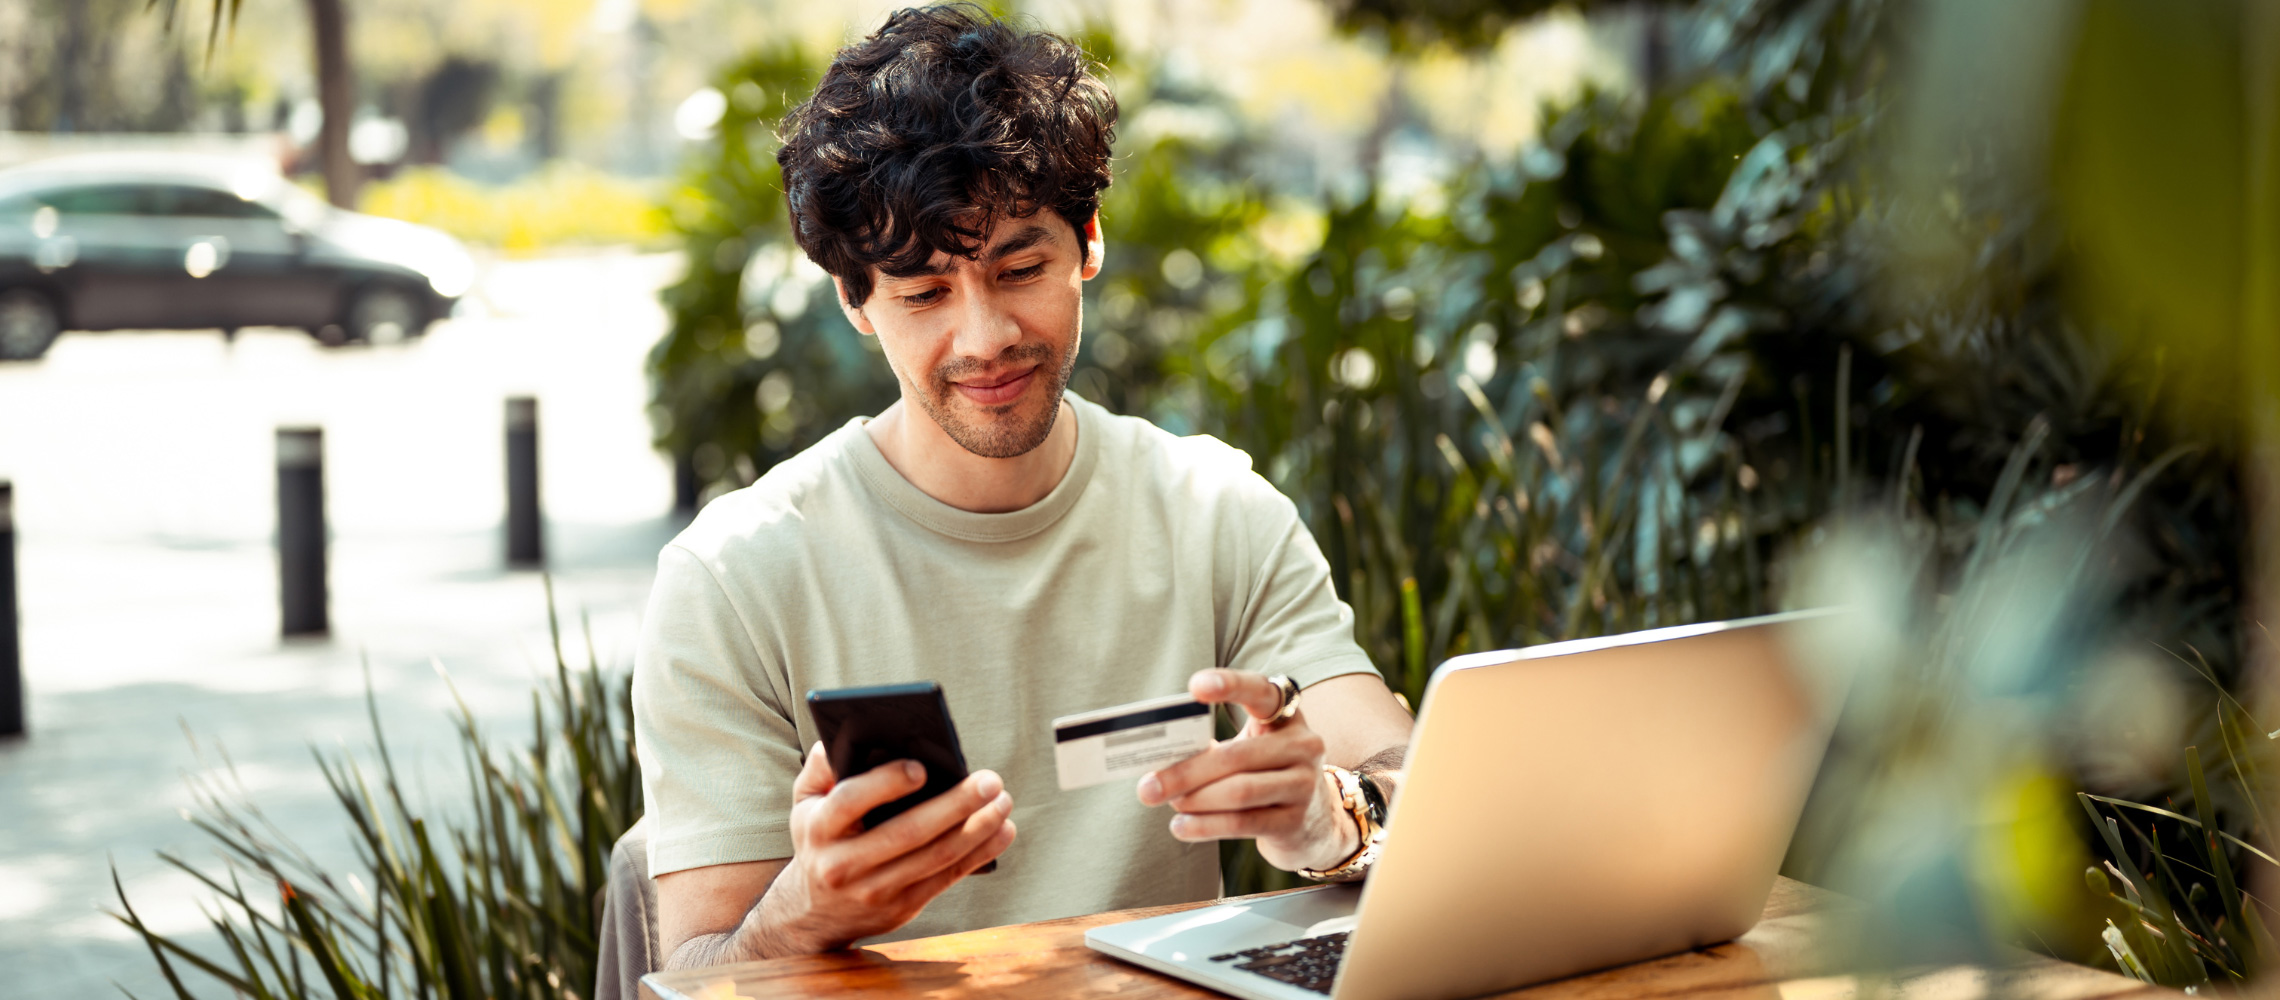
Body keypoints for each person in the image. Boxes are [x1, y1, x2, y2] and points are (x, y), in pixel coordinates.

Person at [633, 3, 1414, 971]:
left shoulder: (1215, 513)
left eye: (1020, 266)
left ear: (1088, 242)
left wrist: (1331, 816)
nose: (985, 335)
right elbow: (692, 972)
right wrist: (802, 912)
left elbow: (1410, 786)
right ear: (856, 301)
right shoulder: (734, 576)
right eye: (923, 293)